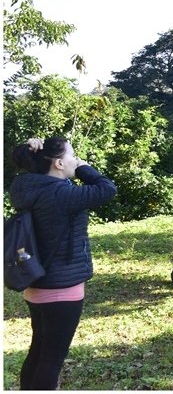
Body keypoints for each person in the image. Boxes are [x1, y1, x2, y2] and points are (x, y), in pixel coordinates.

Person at [9, 136, 117, 390]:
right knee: (51, 360)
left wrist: (37, 150)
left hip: (35, 285)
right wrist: (83, 168)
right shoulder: (63, 194)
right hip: (62, 289)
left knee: (38, 351)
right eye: (72, 155)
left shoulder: (26, 187)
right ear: (58, 163)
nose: (75, 159)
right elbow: (107, 189)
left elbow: (50, 179)